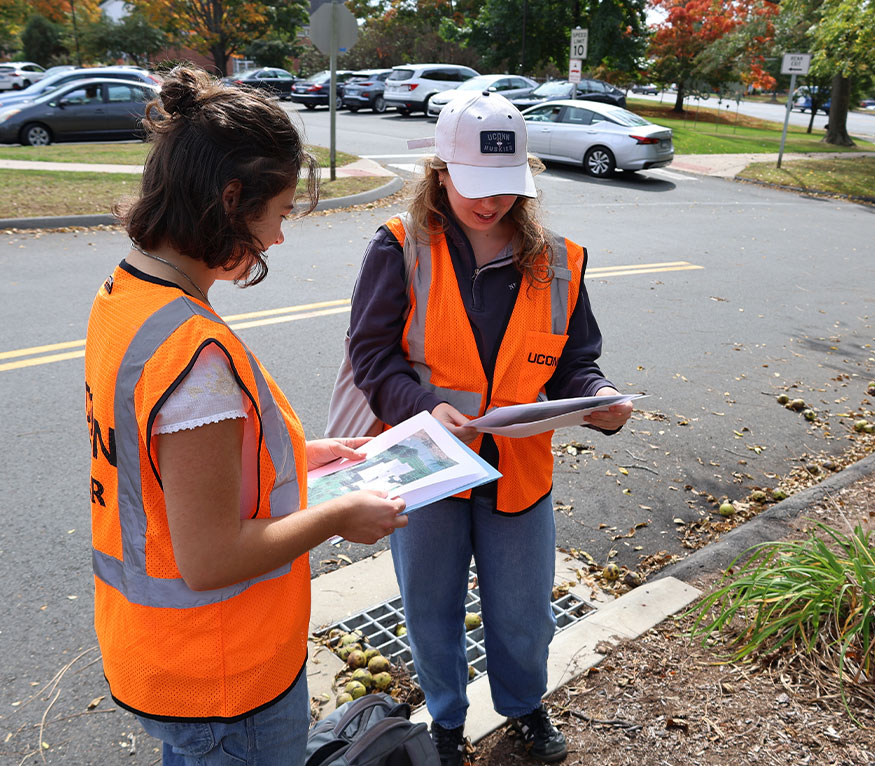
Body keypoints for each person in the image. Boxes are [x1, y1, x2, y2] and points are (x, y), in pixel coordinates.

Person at [84, 67, 408, 766]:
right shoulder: (195, 355)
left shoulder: (124, 293)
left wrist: (302, 455)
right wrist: (336, 516)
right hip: (223, 675)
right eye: (281, 213)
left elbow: (165, 466)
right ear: (233, 200)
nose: (279, 238)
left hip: (157, 653)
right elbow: (211, 560)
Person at [347, 91, 633, 765]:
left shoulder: (557, 260)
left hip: (518, 474)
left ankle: (524, 706)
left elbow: (574, 363)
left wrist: (600, 397)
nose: (489, 203)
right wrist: (419, 403)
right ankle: (446, 721)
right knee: (431, 609)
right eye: (473, 185)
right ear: (438, 173)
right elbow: (370, 357)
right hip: (425, 468)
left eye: (504, 188)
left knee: (522, 612)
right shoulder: (398, 247)